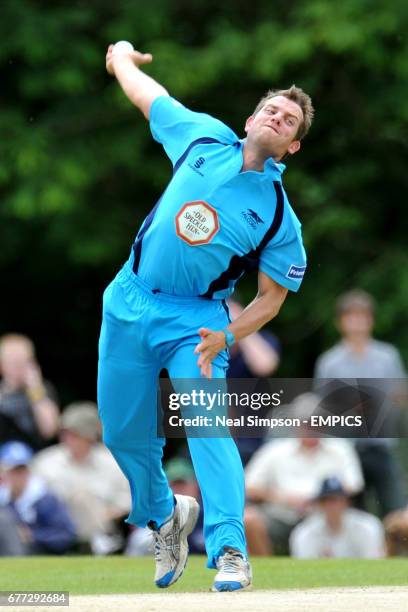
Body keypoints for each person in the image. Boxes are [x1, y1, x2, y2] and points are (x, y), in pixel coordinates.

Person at [99, 42, 314, 591]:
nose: (276, 116)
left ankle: (230, 551)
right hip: (128, 298)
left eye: (288, 120)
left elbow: (271, 299)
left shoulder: (276, 219)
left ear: (290, 147)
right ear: (250, 119)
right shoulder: (202, 136)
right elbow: (151, 96)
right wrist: (122, 58)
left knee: (208, 430)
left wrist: (227, 334)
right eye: (271, 108)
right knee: (122, 434)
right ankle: (164, 514)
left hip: (193, 324)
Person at [314, 289, 407, 517]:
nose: (357, 323)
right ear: (340, 323)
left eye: (362, 317)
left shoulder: (388, 356)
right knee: (351, 512)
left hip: (382, 443)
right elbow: (321, 405)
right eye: (351, 317)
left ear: (371, 320)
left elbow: (401, 394)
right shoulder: (330, 362)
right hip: (345, 447)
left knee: (394, 507)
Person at [244, 394, 364, 555]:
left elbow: (354, 485)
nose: (312, 428)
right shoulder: (274, 450)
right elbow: (248, 486)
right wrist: (281, 498)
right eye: (306, 423)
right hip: (281, 515)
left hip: (324, 516)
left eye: (317, 423)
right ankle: (265, 569)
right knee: (249, 519)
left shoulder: (340, 449)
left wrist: (321, 499)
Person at [32, 402, 131, 555]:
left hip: (104, 529)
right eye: (64, 433)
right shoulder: (45, 462)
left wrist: (99, 516)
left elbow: (127, 502)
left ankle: (96, 545)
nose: (67, 439)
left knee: (85, 498)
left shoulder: (113, 464)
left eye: (74, 434)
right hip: (55, 531)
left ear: (90, 436)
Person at [227, 298, 281, 465]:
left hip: (257, 440)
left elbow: (265, 365)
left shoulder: (261, 340)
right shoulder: (206, 347)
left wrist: (242, 327)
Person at [0, 441, 77, 555]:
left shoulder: (45, 499)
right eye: (13, 471)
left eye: (22, 470)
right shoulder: (3, 500)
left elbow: (66, 535)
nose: (18, 476)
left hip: (41, 554)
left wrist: (33, 536)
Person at [290, 477, 385, 558]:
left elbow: (373, 561)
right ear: (320, 504)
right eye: (326, 500)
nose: (332, 506)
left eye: (336, 500)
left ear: (346, 502)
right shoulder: (305, 532)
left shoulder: (367, 526)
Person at [0, 334, 60, 449]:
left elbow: (50, 430)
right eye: (13, 362)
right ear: (2, 365)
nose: (18, 367)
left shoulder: (42, 390)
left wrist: (35, 388)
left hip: (37, 456)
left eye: (23, 362)